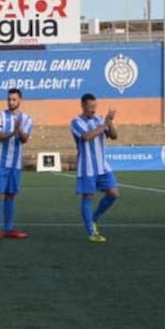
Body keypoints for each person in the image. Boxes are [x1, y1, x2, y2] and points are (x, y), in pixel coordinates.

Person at [71, 93, 119, 243]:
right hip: (87, 166)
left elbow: (114, 135)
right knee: (88, 197)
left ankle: (94, 218)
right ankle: (91, 232)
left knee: (113, 194)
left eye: (94, 106)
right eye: (90, 106)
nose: (93, 109)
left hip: (102, 166)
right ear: (83, 106)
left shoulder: (99, 119)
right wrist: (104, 124)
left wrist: (110, 122)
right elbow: (86, 136)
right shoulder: (76, 122)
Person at [0, 88, 33, 239]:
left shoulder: (26, 119)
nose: (11, 102)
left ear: (20, 100)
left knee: (11, 196)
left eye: (14, 99)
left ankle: (8, 229)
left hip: (15, 164)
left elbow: (25, 139)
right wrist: (12, 133)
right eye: (9, 99)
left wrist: (18, 130)